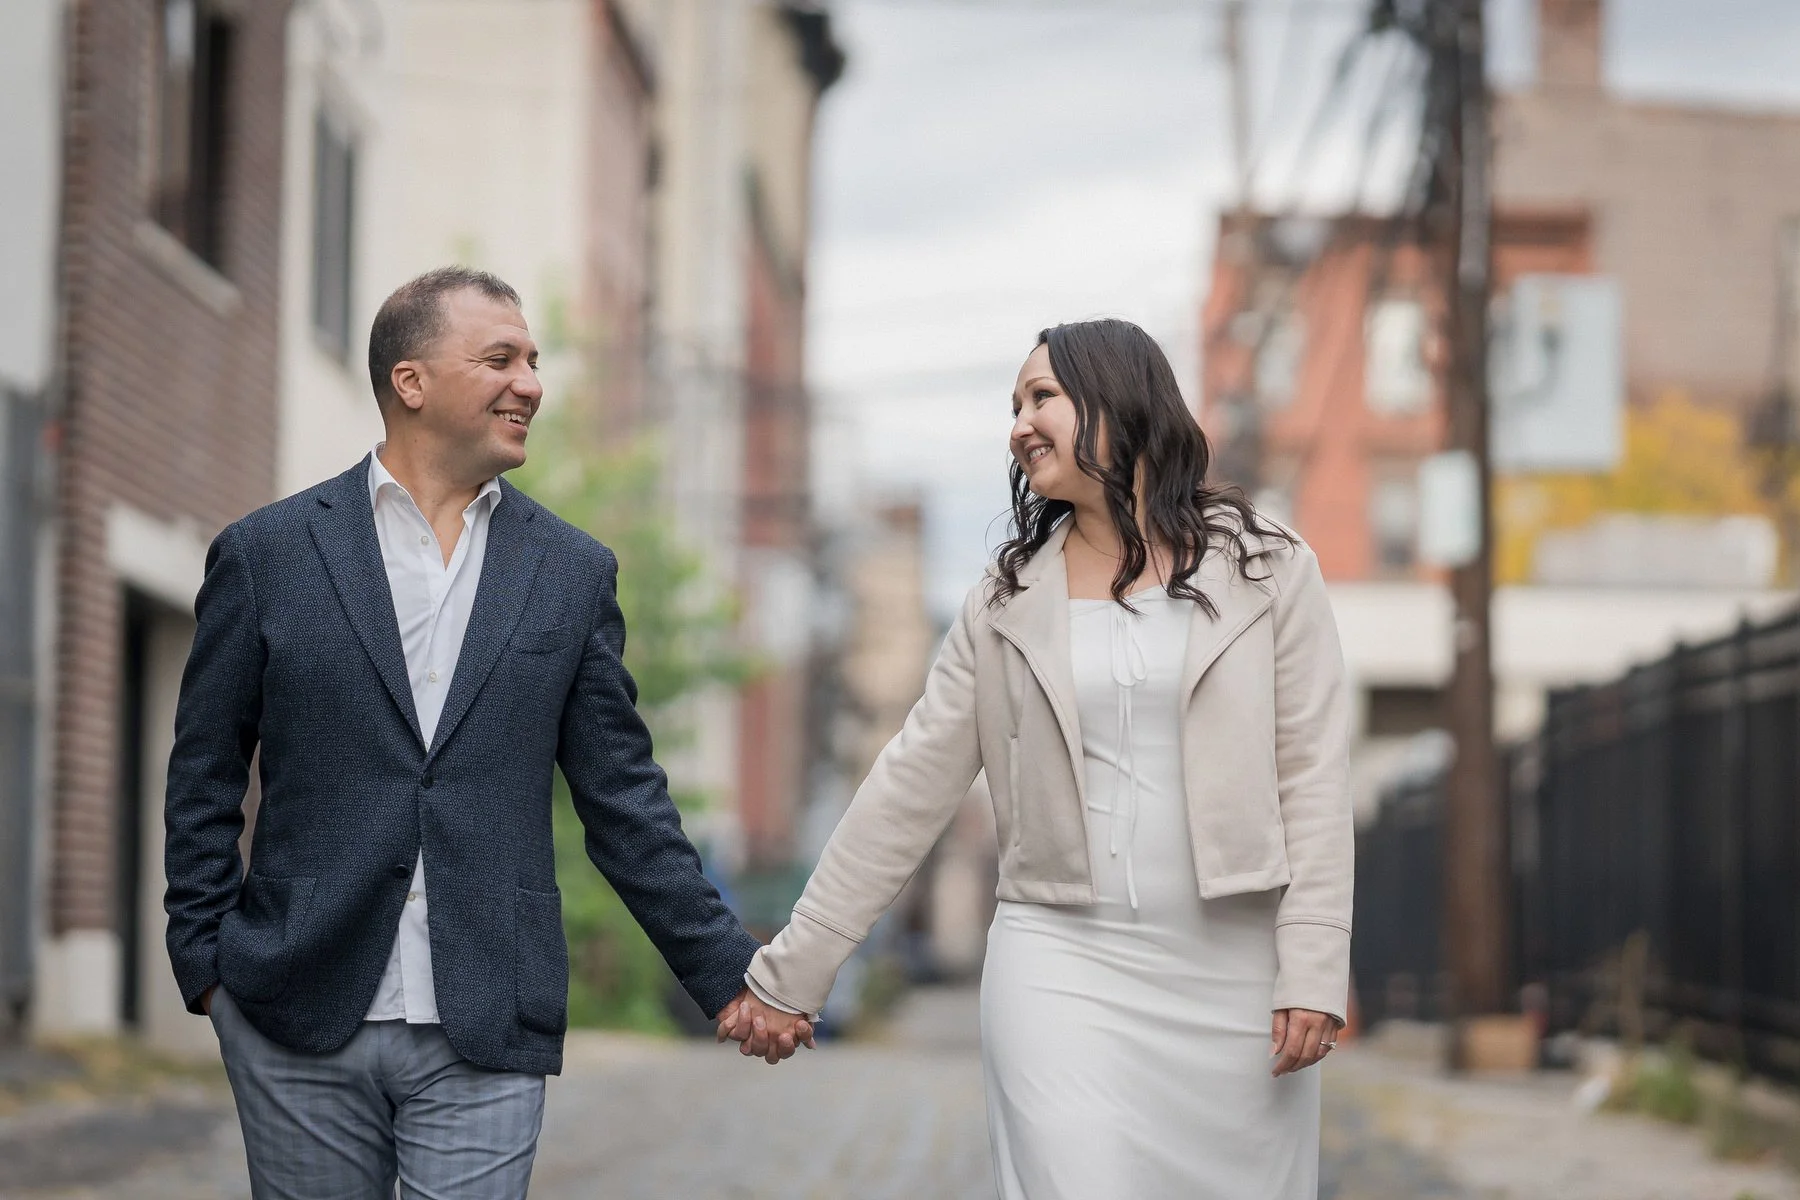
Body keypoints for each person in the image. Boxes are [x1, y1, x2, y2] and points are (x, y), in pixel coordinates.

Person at [163, 266, 805, 1200]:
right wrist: (208, 970)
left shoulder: (572, 573)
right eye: (500, 359)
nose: (532, 384)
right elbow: (203, 775)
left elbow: (624, 800)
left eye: (534, 362)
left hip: (489, 1013)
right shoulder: (268, 555)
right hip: (294, 1007)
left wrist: (730, 975)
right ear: (411, 382)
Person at [726, 318, 1353, 1198]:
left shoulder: (1271, 572)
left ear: (1118, 398)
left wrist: (1315, 968)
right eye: (1014, 405)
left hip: (1235, 977)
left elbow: (1314, 779)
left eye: (1041, 397)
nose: (1019, 424)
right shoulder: (1004, 601)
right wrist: (795, 970)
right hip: (1061, 966)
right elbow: (908, 787)